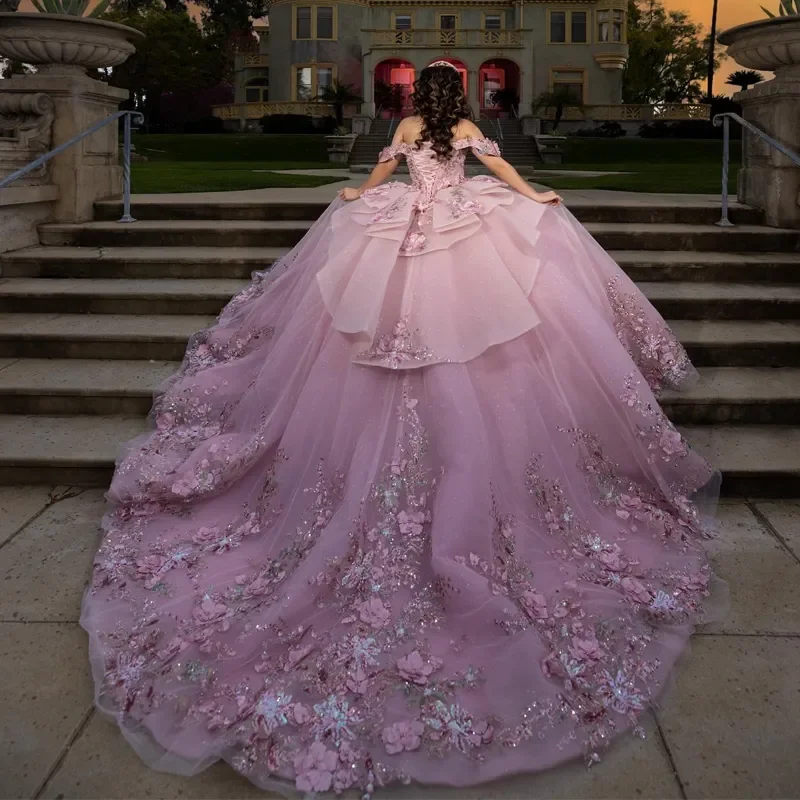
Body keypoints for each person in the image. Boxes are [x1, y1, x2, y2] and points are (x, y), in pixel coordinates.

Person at [82, 62, 722, 797]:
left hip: (414, 240)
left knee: (379, 333)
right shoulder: (469, 130)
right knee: (488, 333)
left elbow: (385, 177)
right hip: (455, 236)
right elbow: (501, 167)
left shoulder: (410, 128)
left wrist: (356, 194)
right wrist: (530, 194)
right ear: (464, 102)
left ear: (422, 102)